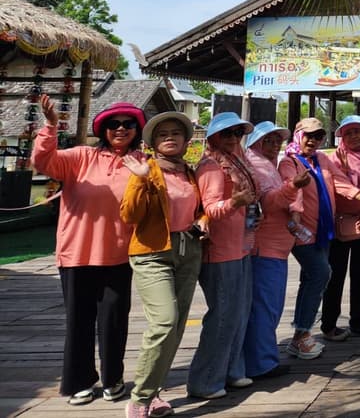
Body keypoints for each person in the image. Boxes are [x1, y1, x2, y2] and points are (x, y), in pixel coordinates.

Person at [32, 97, 144, 406]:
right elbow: (43, 162)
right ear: (103, 129)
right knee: (78, 321)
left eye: (128, 124)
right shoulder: (80, 156)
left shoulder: (142, 161)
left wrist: (147, 177)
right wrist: (51, 126)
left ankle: (113, 379)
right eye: (114, 124)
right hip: (77, 253)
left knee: (114, 321)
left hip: (120, 255)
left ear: (137, 129)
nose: (121, 129)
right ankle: (80, 381)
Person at [119, 112, 204, 418]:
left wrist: (201, 223)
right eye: (162, 134)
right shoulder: (146, 170)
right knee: (164, 322)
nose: (170, 137)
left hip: (188, 251)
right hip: (152, 253)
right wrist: (141, 179)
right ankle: (140, 398)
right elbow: (129, 215)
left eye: (176, 133)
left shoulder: (189, 173)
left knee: (177, 327)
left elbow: (198, 209)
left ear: (185, 141)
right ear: (153, 143)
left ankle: (154, 392)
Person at [278, 116, 360, 361]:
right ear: (298, 135)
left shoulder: (322, 159)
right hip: (302, 231)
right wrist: (296, 214)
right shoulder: (290, 162)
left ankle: (301, 333)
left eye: (318, 136)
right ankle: (302, 335)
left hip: (323, 231)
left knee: (310, 279)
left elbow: (340, 183)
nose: (313, 140)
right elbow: (291, 189)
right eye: (309, 135)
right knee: (321, 274)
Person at [187, 112, 258, 400]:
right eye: (226, 133)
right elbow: (211, 209)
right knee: (223, 315)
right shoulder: (212, 166)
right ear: (214, 136)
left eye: (237, 133)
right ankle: (204, 381)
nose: (232, 139)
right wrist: (236, 201)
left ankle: (230, 370)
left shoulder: (237, 161)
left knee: (239, 312)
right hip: (219, 250)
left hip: (240, 244)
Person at [242, 121, 308, 381]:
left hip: (274, 247)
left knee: (268, 306)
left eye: (276, 140)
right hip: (264, 247)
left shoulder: (266, 164)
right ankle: (261, 363)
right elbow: (269, 203)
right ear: (256, 142)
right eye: (267, 140)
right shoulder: (257, 165)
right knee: (264, 307)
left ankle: (261, 358)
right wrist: (293, 187)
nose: (273, 145)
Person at [322, 115, 360, 341]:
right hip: (339, 224)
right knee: (334, 276)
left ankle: (357, 320)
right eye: (348, 133)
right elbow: (335, 187)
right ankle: (329, 323)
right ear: (342, 137)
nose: (354, 136)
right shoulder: (335, 160)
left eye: (358, 131)